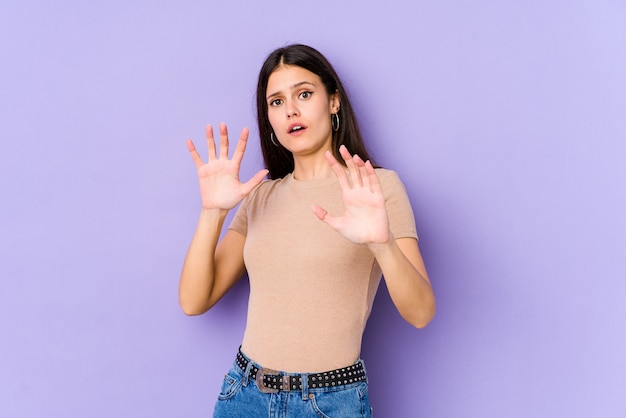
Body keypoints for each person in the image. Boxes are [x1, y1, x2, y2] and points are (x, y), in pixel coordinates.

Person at [179, 44, 435, 418]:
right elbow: (193, 301)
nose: (292, 111)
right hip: (245, 394)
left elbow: (421, 313)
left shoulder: (376, 189)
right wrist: (212, 213)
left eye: (304, 94)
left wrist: (382, 245)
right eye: (277, 102)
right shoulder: (260, 197)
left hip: (330, 402)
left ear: (333, 101)